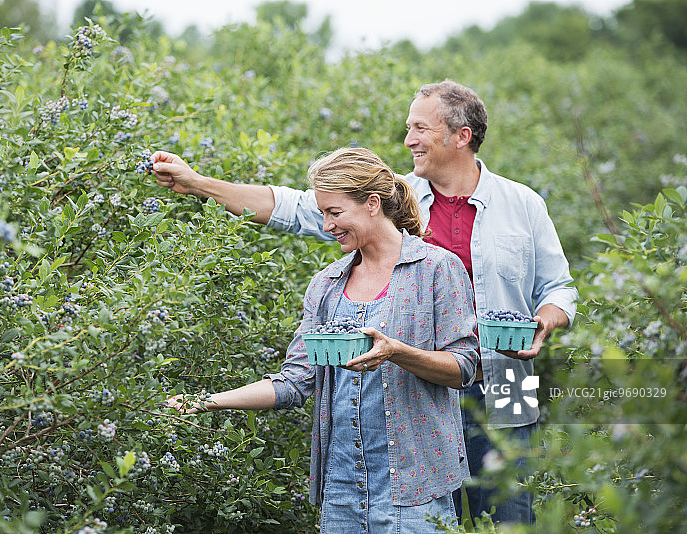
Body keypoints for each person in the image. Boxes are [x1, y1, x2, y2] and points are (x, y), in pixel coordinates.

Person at [152, 80, 578, 525]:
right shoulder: (389, 199)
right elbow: (291, 207)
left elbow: (559, 287)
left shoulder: (522, 203)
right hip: (416, 386)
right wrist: (198, 183)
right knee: (431, 505)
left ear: (461, 135)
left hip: (506, 375)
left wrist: (545, 322)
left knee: (511, 515)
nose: (408, 139)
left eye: (420, 128)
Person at [168, 147, 480, 533]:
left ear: (372, 203)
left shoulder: (436, 269)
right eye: (322, 214)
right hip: (343, 488)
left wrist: (396, 352)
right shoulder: (327, 284)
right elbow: (294, 382)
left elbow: (464, 368)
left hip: (415, 487)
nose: (328, 225)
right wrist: (202, 402)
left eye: (335, 213)